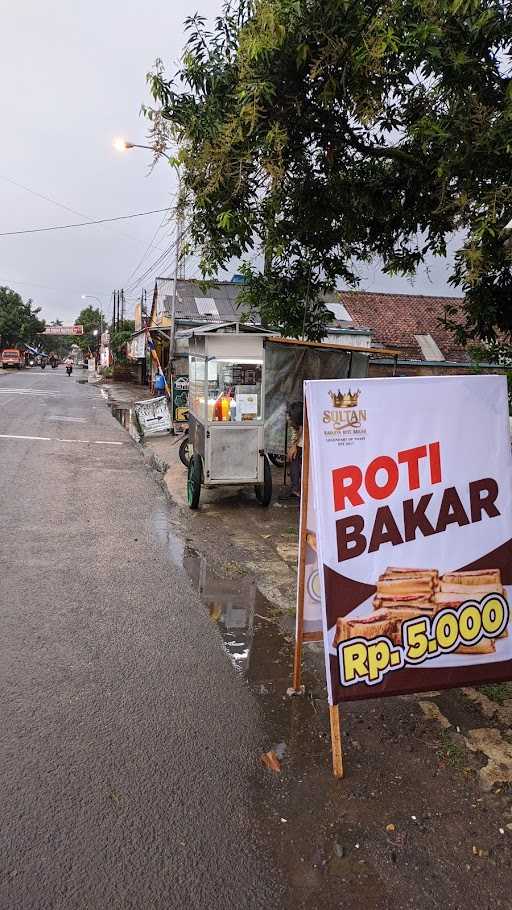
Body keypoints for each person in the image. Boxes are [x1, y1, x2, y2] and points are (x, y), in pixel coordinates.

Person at [279, 400, 303, 501]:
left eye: (289, 417)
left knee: (294, 457)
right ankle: (295, 488)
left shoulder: (305, 423)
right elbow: (295, 433)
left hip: (309, 443)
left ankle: (297, 489)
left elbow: (302, 436)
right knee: (293, 457)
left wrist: (295, 447)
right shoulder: (294, 422)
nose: (287, 418)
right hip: (300, 440)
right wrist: (293, 445)